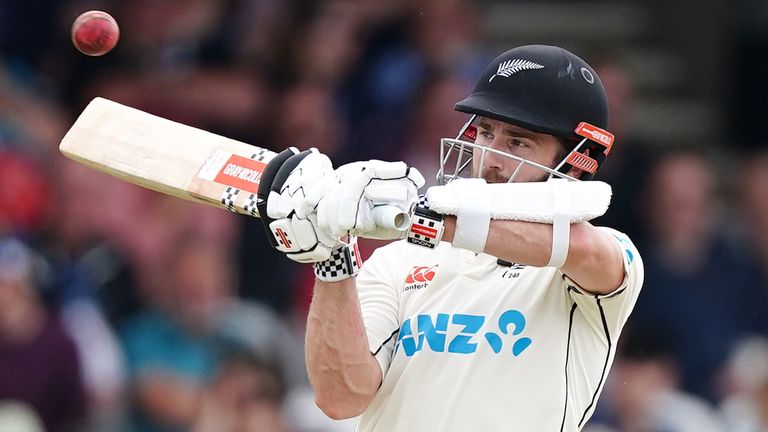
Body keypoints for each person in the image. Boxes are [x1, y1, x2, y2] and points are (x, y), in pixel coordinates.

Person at [258, 44, 644, 431]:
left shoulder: (592, 264)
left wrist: (425, 219)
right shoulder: (400, 261)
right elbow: (341, 398)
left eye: (517, 142)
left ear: (574, 166)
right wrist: (331, 254)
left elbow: (585, 252)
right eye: (486, 133)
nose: (489, 157)